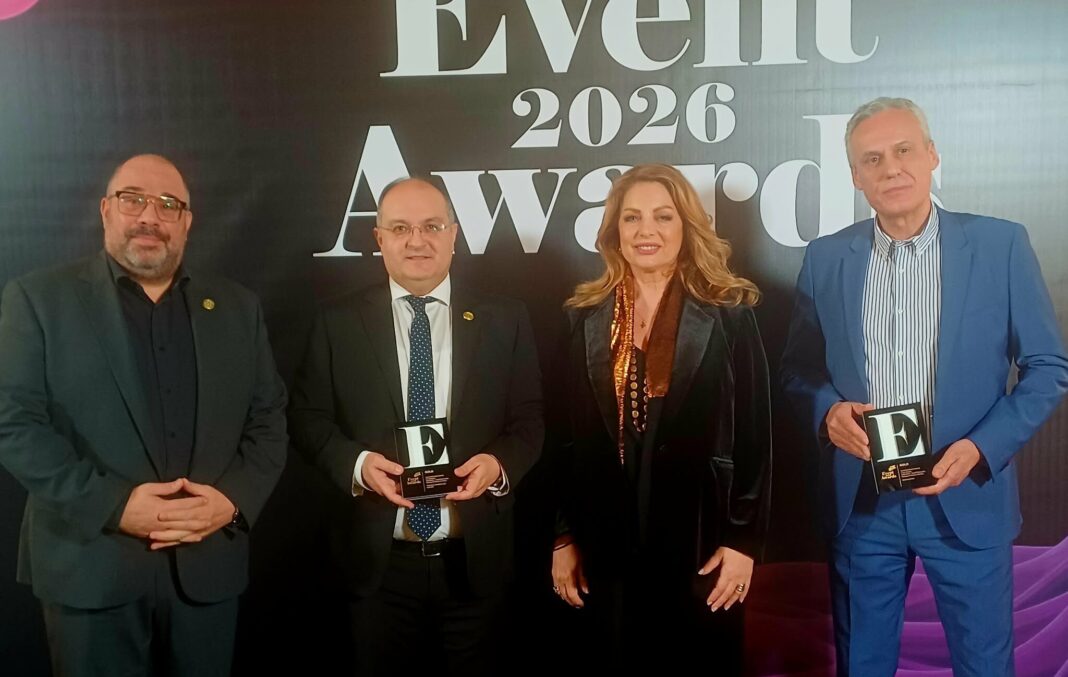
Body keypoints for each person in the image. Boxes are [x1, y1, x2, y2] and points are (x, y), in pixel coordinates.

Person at [780, 97, 1068, 676]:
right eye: (872, 158)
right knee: (863, 666)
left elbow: (1048, 367)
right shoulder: (826, 258)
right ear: (855, 176)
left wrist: (982, 448)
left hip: (966, 498)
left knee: (985, 667)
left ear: (932, 155)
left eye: (904, 150)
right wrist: (826, 412)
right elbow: (797, 370)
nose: (891, 168)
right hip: (863, 505)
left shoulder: (1000, 246)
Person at [0, 154, 288, 677]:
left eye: (168, 204)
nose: (150, 216)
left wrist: (233, 502)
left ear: (187, 221)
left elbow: (269, 419)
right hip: (90, 568)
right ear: (106, 210)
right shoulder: (38, 300)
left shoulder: (237, 307)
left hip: (207, 570)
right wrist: (113, 505)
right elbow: (13, 424)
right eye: (133, 200)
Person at [287, 177, 543, 676]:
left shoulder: (506, 319)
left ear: (454, 234)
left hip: (475, 562)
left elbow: (530, 419)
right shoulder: (336, 323)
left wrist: (498, 465)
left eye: (431, 226)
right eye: (400, 228)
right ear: (379, 238)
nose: (417, 240)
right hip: (377, 567)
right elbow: (306, 417)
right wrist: (358, 465)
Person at [548, 163, 771, 672]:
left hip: (702, 539)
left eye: (662, 216)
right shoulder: (582, 316)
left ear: (686, 226)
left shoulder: (730, 313)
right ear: (615, 231)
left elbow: (757, 439)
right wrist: (563, 536)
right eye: (632, 217)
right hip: (604, 541)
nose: (646, 230)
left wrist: (743, 542)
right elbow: (562, 439)